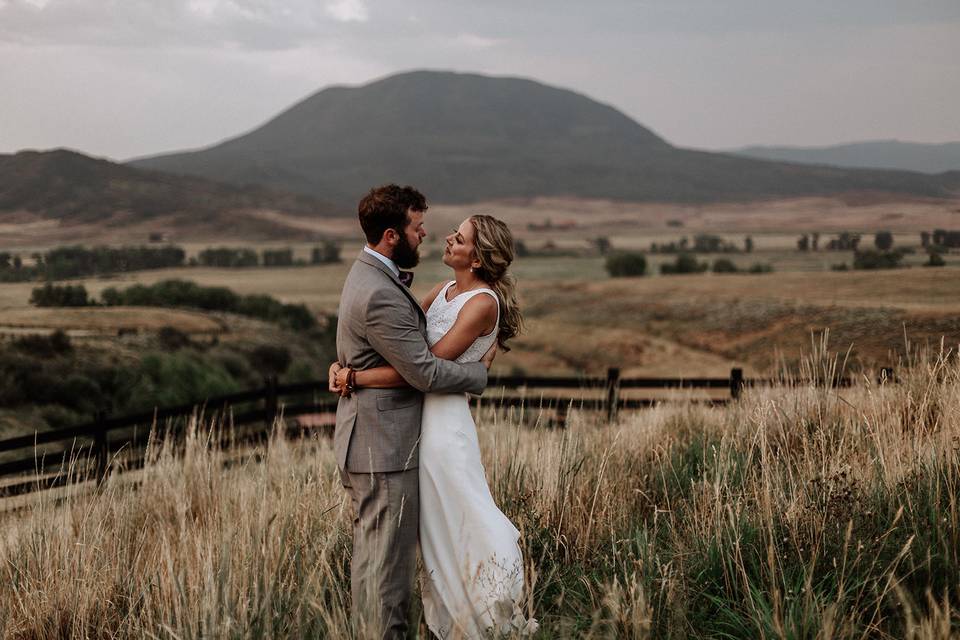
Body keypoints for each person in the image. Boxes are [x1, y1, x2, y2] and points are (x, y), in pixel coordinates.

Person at [333, 214, 537, 638]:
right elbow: (402, 346)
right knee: (430, 527)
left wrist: (355, 377)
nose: (447, 238)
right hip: (418, 418)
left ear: (477, 259)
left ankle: (485, 611)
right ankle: (442, 617)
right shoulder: (442, 291)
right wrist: (348, 364)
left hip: (444, 425)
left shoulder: (482, 303)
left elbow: (422, 367)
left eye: (459, 238)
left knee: (458, 513)